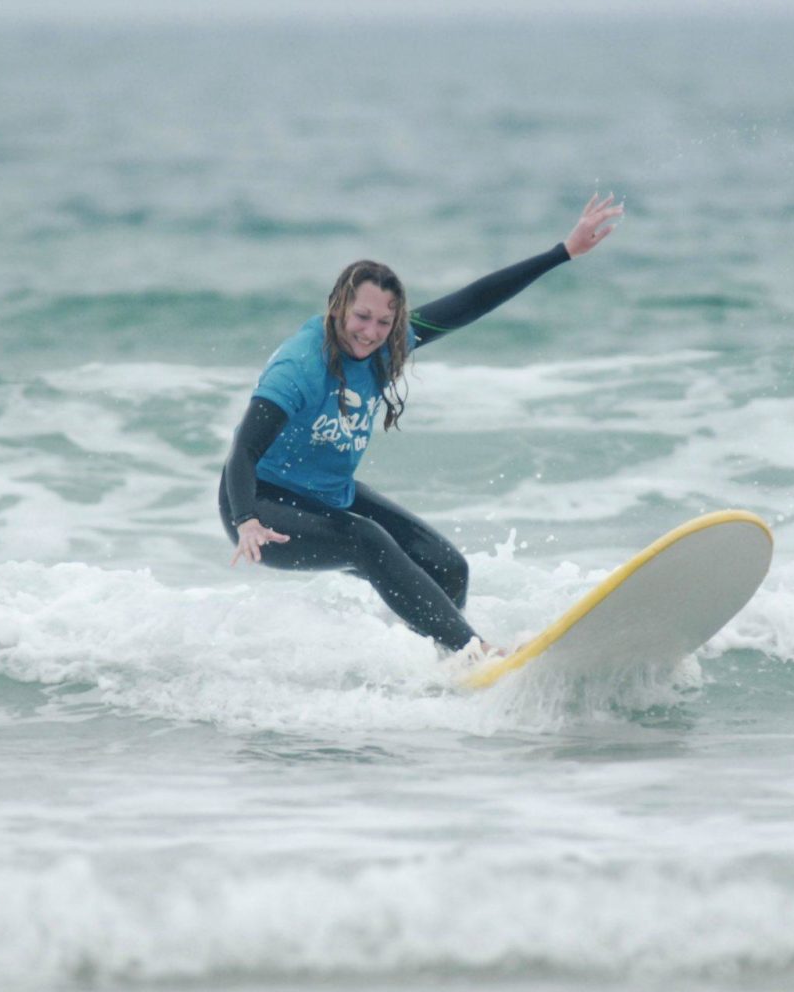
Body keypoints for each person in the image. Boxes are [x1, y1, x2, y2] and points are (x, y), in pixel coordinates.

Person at [219, 194, 622, 654]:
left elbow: (470, 300)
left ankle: (443, 666)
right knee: (366, 541)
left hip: (324, 492)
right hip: (261, 505)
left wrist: (562, 252)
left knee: (448, 567)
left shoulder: (386, 346)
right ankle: (475, 654)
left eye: (384, 322)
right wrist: (246, 519)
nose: (371, 333)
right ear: (337, 307)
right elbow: (243, 452)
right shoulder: (298, 368)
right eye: (362, 317)